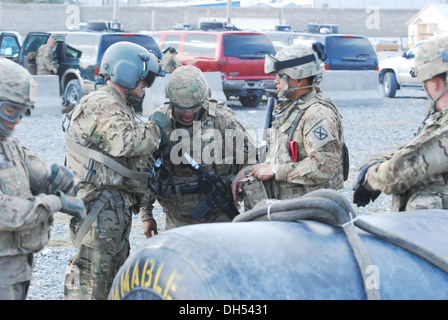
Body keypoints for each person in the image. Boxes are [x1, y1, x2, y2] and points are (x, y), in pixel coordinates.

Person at [63, 42, 169, 300]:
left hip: (112, 207)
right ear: (128, 73)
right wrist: (157, 126)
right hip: (98, 210)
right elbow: (127, 142)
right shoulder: (102, 102)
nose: (145, 87)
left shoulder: (118, 105)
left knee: (111, 282)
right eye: (144, 80)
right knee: (91, 284)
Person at [0, 58, 85, 300]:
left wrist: (61, 182)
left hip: (16, 265)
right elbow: (5, 212)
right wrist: (56, 203)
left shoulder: (10, 144)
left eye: (22, 112)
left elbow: (41, 177)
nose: (17, 120)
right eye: (9, 110)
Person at [140, 65, 256, 236]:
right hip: (177, 218)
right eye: (181, 109)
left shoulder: (222, 120)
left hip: (220, 216)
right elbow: (147, 170)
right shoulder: (161, 122)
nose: (188, 114)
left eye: (194, 108)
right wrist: (146, 215)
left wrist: (243, 174)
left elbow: (252, 160)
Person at [231, 43, 347, 210]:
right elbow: (279, 155)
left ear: (298, 80)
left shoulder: (316, 115)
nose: (275, 80)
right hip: (287, 209)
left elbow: (323, 167)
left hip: (309, 211)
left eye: (280, 75)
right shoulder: (289, 109)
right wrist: (250, 171)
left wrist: (276, 170)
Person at [353, 35, 448, 211]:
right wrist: (383, 161)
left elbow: (399, 172)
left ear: (434, 83)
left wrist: (370, 178)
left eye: (424, 81)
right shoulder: (439, 115)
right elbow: (418, 146)